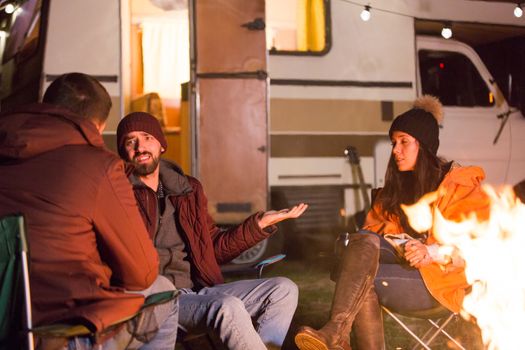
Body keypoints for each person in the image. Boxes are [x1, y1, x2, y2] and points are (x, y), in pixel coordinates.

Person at [295, 95, 490, 350]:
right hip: (401, 272)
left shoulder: (459, 185)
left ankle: (336, 332)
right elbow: (369, 237)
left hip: (442, 283)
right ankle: (336, 332)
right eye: (393, 142)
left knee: (362, 281)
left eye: (403, 142)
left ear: (424, 146)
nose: (395, 150)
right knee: (363, 246)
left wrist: (430, 252)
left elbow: (475, 247)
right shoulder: (394, 191)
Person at [0, 73, 178, 350]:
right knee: (164, 289)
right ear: (98, 125)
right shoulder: (99, 167)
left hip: (6, 323)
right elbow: (141, 274)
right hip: (64, 326)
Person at [116, 112, 308, 350]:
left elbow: (213, 248)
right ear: (123, 151)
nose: (140, 147)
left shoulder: (187, 189)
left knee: (284, 289)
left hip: (197, 291)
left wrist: (259, 224)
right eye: (130, 141)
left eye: (146, 137)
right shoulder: (119, 193)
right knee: (227, 306)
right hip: (158, 298)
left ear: (161, 145)